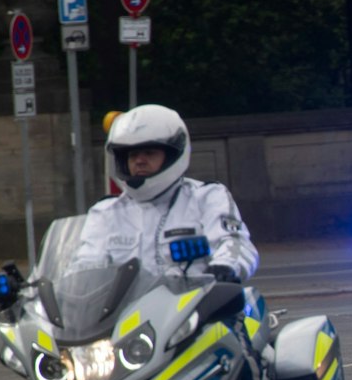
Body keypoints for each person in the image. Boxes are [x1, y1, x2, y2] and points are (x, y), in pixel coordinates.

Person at [76, 104, 259, 282]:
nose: (139, 161)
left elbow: (234, 242)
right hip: (128, 311)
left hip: (197, 306)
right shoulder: (106, 212)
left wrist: (225, 266)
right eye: (132, 155)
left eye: (149, 153)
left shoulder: (206, 197)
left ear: (173, 154)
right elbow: (86, 264)